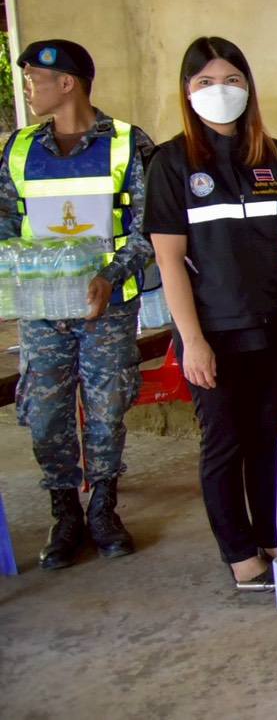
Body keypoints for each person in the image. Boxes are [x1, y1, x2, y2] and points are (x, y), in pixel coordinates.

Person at [145, 37, 277, 590]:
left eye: (232, 80)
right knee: (225, 440)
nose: (221, 91)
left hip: (273, 320)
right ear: (187, 91)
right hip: (213, 328)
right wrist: (191, 340)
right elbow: (169, 259)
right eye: (206, 82)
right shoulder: (171, 162)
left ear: (249, 87)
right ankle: (241, 556)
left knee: (267, 434)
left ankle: (271, 537)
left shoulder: (272, 154)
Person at [0, 39, 154, 569]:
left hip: (106, 308)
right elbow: (5, 223)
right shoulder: (20, 148)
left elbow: (149, 229)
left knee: (107, 409)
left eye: (33, 80)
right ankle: (63, 512)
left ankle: (104, 509)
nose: (28, 90)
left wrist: (109, 278)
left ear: (67, 83)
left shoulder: (127, 144)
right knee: (45, 412)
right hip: (42, 309)